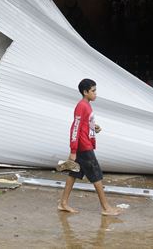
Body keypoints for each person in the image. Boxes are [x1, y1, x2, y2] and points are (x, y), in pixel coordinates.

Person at [58, 78, 120, 216]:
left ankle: (63, 203)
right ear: (85, 92)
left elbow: (85, 123)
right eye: (93, 91)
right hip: (83, 147)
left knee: (74, 173)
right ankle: (105, 207)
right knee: (96, 175)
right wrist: (73, 150)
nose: (95, 93)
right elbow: (75, 127)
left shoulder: (87, 105)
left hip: (84, 144)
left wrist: (94, 127)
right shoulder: (81, 106)